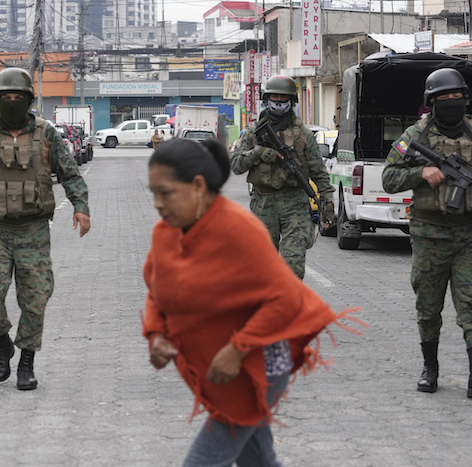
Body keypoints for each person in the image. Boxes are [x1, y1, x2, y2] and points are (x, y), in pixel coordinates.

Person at [143, 137, 364, 466]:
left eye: (166, 193)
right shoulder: (165, 232)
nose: (158, 204)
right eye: (154, 194)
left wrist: (237, 349)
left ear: (198, 186)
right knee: (257, 460)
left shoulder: (239, 228)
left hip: (258, 365)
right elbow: (156, 290)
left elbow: (284, 298)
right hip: (221, 366)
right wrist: (157, 334)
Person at [0, 67, 90, 391]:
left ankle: (26, 362)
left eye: (18, 97)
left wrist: (81, 207)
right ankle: (2, 344)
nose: (12, 101)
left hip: (34, 230)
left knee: (35, 298)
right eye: (6, 97)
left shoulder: (47, 135)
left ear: (29, 100)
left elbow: (70, 173)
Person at [382, 68, 472, 399]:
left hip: (469, 234)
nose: (451, 103)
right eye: (443, 99)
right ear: (431, 102)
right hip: (428, 233)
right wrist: (421, 173)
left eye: (456, 98)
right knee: (428, 305)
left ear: (465, 99)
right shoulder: (415, 136)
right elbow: (389, 178)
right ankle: (430, 368)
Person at [230, 74, 335, 279]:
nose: (278, 102)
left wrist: (327, 200)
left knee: (293, 264)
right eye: (274, 97)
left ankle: (290, 306)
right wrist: (256, 153)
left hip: (295, 202)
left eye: (283, 98)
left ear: (292, 101)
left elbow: (319, 173)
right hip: (263, 202)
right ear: (266, 99)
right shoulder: (252, 132)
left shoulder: (304, 135)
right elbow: (235, 165)